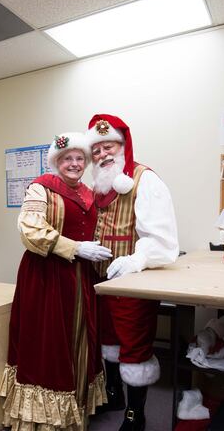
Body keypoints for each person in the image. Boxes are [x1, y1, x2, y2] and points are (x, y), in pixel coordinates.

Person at [0, 132, 113, 431]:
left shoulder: (90, 193)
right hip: (47, 276)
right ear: (56, 161)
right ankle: (47, 420)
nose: (74, 164)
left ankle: (76, 407)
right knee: (48, 342)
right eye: (67, 159)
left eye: (79, 159)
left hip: (81, 277)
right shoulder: (41, 188)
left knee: (80, 338)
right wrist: (73, 247)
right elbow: (30, 230)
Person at [85, 114, 179, 431]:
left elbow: (162, 241)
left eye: (108, 146)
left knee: (134, 349)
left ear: (123, 146)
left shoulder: (145, 180)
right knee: (107, 341)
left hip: (133, 284)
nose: (101, 155)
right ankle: (114, 394)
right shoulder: (95, 187)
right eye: (95, 150)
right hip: (100, 282)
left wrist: (135, 261)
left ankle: (135, 415)